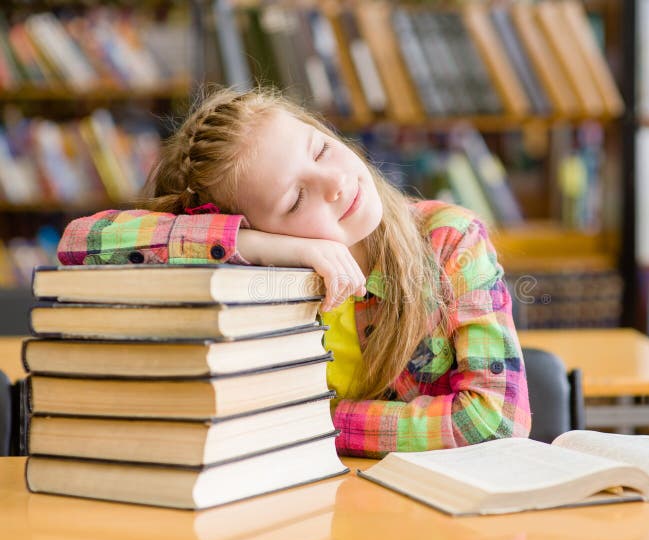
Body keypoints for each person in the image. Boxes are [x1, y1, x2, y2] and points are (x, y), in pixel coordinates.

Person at [57, 88, 531, 457]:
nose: (336, 182)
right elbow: (80, 243)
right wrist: (253, 245)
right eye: (295, 199)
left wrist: (307, 422)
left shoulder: (449, 240)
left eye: (320, 151)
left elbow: (494, 422)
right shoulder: (255, 265)